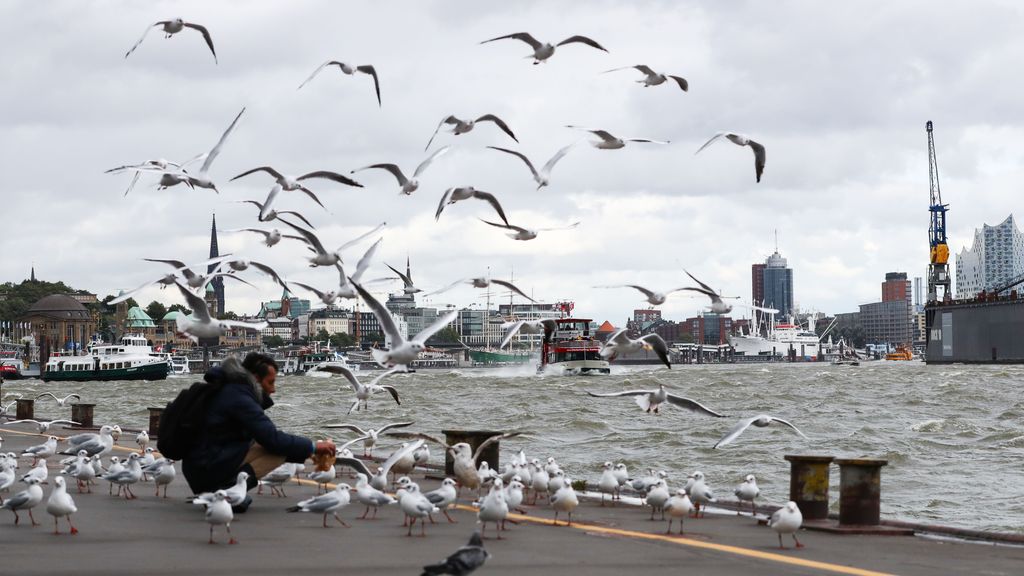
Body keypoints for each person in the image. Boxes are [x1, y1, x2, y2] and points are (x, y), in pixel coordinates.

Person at [182, 352, 334, 511]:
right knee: (277, 451)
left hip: (200, 463)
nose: (273, 389)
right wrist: (314, 447)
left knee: (273, 445)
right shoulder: (240, 398)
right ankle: (228, 493)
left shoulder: (229, 389)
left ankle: (227, 490)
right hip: (206, 468)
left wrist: (307, 451)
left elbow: (264, 436)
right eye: (270, 382)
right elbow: (273, 439)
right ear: (255, 378)